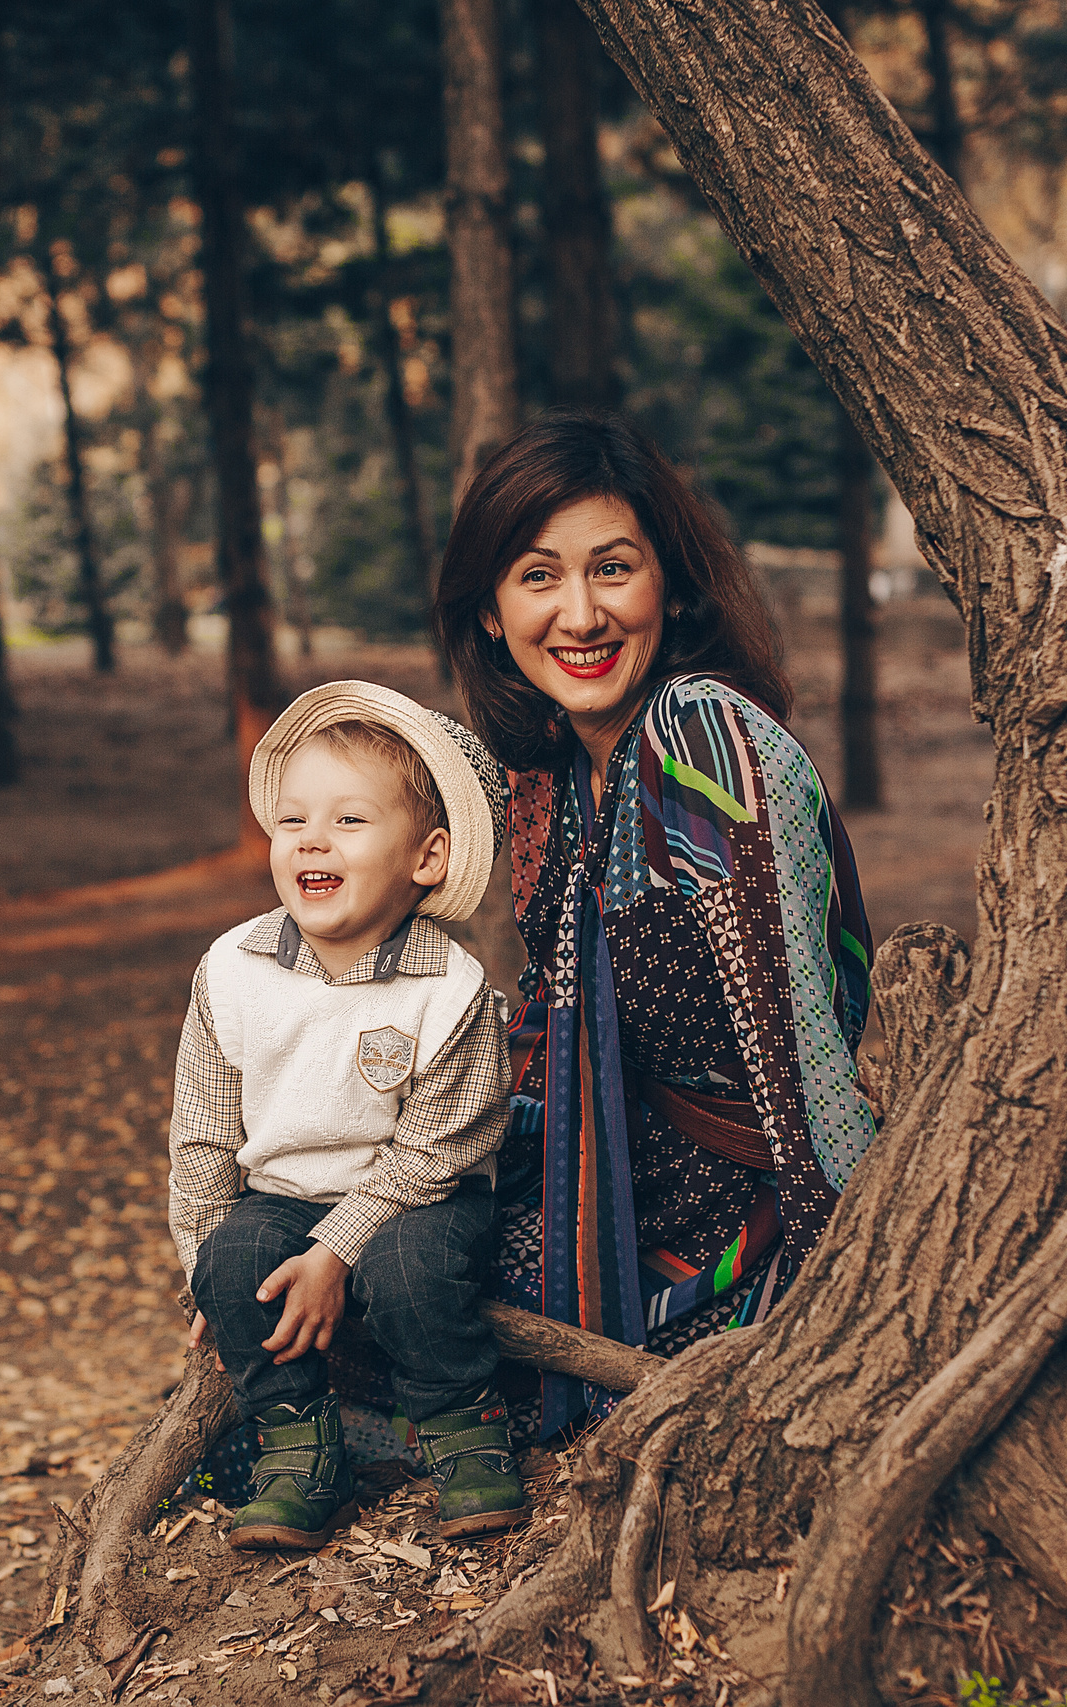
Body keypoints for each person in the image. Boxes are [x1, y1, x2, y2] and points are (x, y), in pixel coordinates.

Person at [435, 411, 876, 1440]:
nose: (579, 614)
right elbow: (549, 1043)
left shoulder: (703, 740)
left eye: (612, 570)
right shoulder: (544, 776)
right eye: (538, 576)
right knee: (343, 1290)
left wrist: (850, 1302)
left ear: (671, 590)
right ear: (492, 615)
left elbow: (802, 1063)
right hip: (612, 1181)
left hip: (745, 1221)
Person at [168, 681, 524, 1549]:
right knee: (238, 1256)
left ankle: (462, 1425)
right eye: (292, 822)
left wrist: (336, 1251)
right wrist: (204, 1270)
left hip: (420, 1196)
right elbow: (205, 1135)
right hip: (283, 1194)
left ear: (428, 858)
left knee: (408, 1271)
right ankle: (299, 1443)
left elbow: (434, 1154)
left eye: (350, 822)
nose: (311, 840)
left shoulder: (449, 988)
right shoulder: (233, 970)